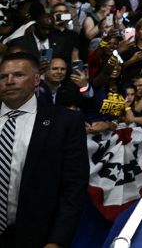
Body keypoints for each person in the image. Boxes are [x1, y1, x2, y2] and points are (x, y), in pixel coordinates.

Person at [0, 50, 89, 248]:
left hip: (36, 237)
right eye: (3, 76)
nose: (10, 81)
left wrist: (57, 240)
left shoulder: (65, 121)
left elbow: (74, 187)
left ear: (36, 80)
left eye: (19, 75)